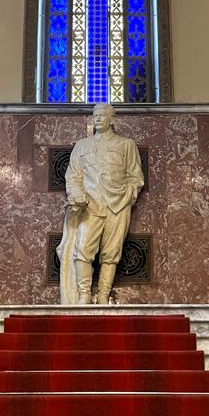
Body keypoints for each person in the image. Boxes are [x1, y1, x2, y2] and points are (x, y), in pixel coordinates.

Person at [57, 103, 144, 304]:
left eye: (102, 115)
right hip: (90, 206)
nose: (97, 118)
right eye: (95, 115)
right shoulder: (81, 146)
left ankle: (104, 294)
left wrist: (128, 195)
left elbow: (135, 177)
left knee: (112, 252)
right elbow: (73, 176)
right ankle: (84, 294)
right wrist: (77, 194)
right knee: (83, 249)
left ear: (112, 119)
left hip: (118, 204)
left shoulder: (126, 144)